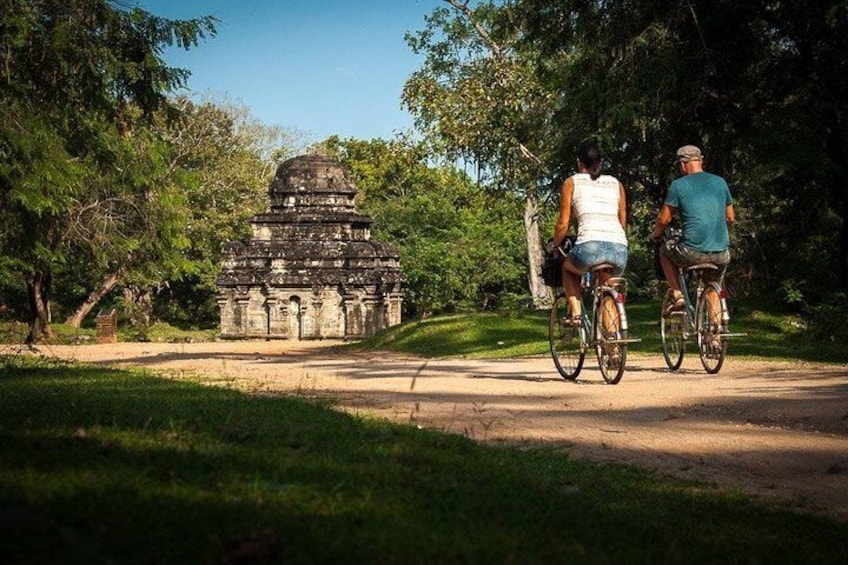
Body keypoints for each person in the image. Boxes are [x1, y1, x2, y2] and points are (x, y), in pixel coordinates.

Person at [650, 145, 735, 317]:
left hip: (691, 252)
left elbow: (664, 219)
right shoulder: (720, 182)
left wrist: (655, 235)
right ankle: (716, 334)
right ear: (701, 161)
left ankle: (678, 294)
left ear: (682, 165)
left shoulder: (678, 186)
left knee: (665, 251)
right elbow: (731, 218)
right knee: (712, 285)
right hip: (721, 253)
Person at [552, 140, 628, 324]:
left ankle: (576, 313)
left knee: (568, 269)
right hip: (619, 248)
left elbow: (563, 224)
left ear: (579, 162)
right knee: (607, 285)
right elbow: (622, 221)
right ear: (600, 163)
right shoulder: (616, 184)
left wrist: (555, 245)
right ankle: (613, 343)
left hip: (589, 247)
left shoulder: (571, 182)